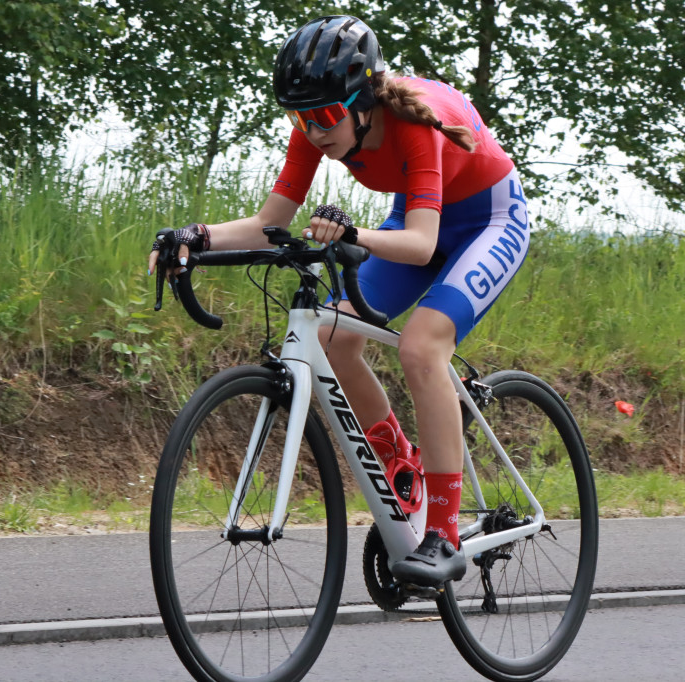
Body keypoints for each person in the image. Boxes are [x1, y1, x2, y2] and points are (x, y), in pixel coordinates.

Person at [148, 15, 529, 587]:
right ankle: (403, 468)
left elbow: (422, 244)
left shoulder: (414, 123)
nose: (314, 130)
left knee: (424, 348)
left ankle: (445, 534)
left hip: (488, 221)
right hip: (415, 219)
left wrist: (353, 235)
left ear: (364, 100)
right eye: (301, 118)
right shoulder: (314, 126)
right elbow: (269, 223)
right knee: (331, 333)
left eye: (325, 117)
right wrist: (194, 239)